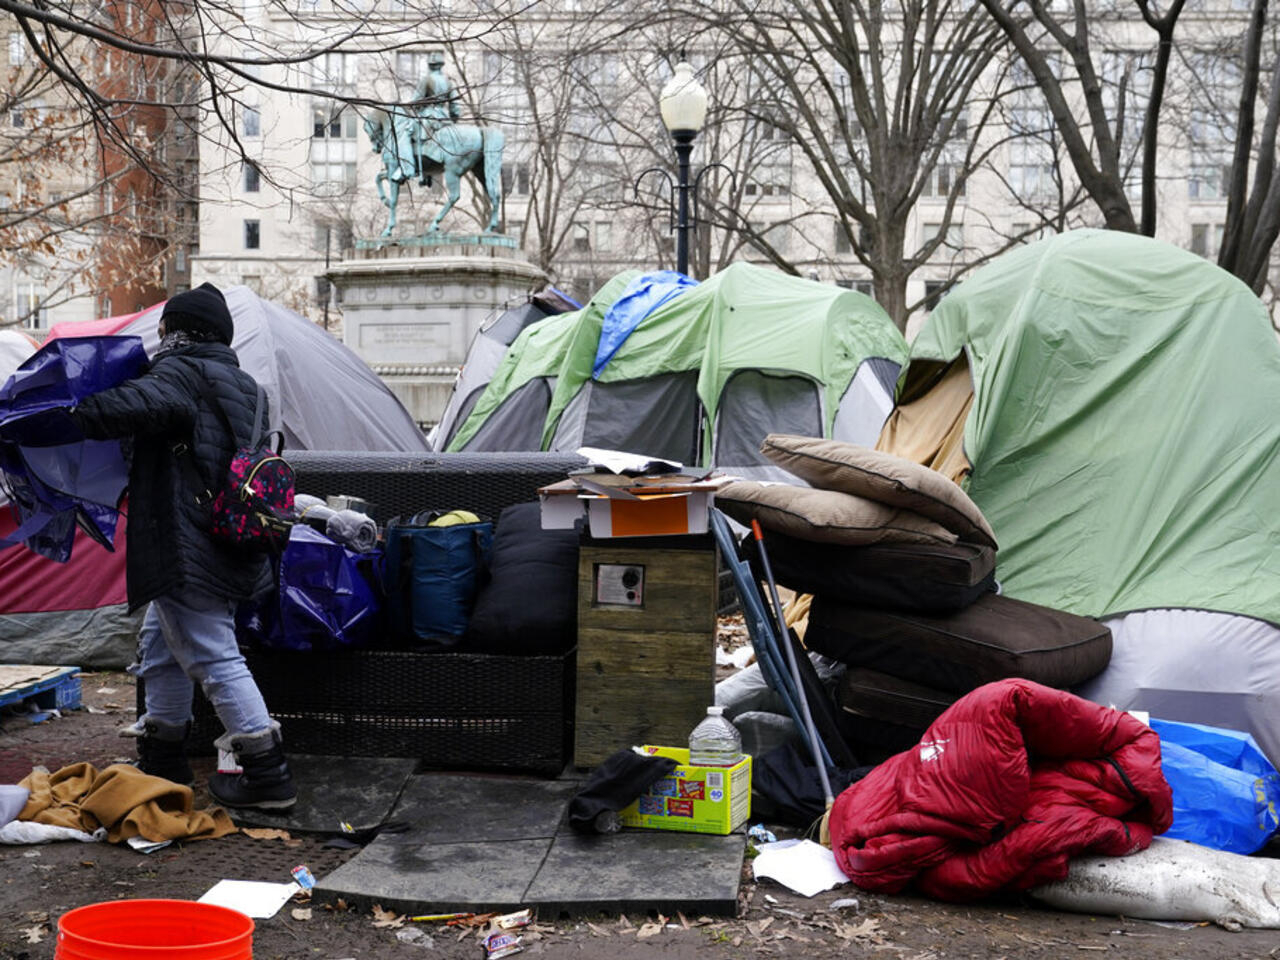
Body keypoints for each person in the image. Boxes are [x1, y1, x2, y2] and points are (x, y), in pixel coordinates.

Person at [70, 283, 297, 811]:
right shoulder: (246, 385)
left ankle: (268, 774)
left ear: (176, 330)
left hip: (186, 538)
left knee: (213, 655)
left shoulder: (180, 372)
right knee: (160, 646)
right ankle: (163, 756)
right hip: (232, 538)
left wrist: (68, 409)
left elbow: (130, 406)